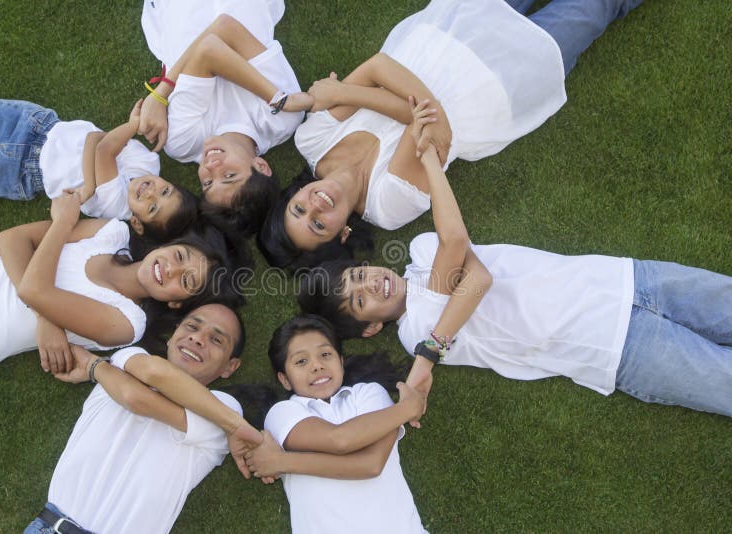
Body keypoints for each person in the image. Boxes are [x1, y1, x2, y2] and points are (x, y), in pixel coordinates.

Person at [299, 101, 732, 418]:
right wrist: (428, 158)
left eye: (358, 275)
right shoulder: (415, 333)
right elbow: (466, 258)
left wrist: (441, 335)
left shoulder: (420, 253)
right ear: (371, 326)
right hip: (619, 349)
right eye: (360, 300)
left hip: (627, 278)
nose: (371, 284)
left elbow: (474, 277)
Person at [257, 0, 643, 269]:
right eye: (319, 225)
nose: (316, 206)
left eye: (299, 209)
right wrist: (345, 94)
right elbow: (426, 117)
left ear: (293, 196)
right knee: (595, 6)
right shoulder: (388, 206)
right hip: (494, 84)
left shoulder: (310, 141)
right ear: (342, 234)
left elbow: (379, 67)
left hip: (444, 35)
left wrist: (395, 100)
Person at [0, 193, 239, 392]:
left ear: (175, 302)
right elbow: (11, 239)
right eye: (181, 256)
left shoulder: (127, 323)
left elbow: (33, 289)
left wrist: (63, 222)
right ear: (167, 246)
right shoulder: (110, 232)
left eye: (186, 282)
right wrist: (46, 319)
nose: (171, 270)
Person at [24, 303, 264, 534]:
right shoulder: (131, 357)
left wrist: (93, 366)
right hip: (48, 526)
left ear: (230, 367)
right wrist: (94, 366)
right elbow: (147, 378)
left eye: (216, 339)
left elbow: (135, 398)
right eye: (192, 327)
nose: (198, 338)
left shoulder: (226, 409)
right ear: (172, 335)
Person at [138, 0, 312, 235]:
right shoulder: (281, 121)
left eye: (208, 182)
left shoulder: (183, 143)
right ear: (261, 166)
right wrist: (279, 101)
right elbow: (225, 28)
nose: (211, 167)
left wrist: (161, 93)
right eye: (229, 176)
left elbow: (211, 47)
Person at [243, 314, 428, 534]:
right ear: (285, 379)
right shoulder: (282, 413)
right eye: (301, 361)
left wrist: (282, 462)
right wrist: (407, 408)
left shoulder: (370, 394)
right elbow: (338, 440)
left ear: (340, 362)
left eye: (325, 354)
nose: (317, 366)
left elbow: (371, 464)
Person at [0, 94, 200, 242]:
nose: (151, 193)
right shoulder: (150, 162)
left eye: (152, 208)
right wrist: (92, 181)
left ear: (137, 223)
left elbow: (105, 147)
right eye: (165, 191)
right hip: (36, 125)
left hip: (20, 171)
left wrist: (130, 127)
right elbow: (94, 140)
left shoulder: (117, 206)